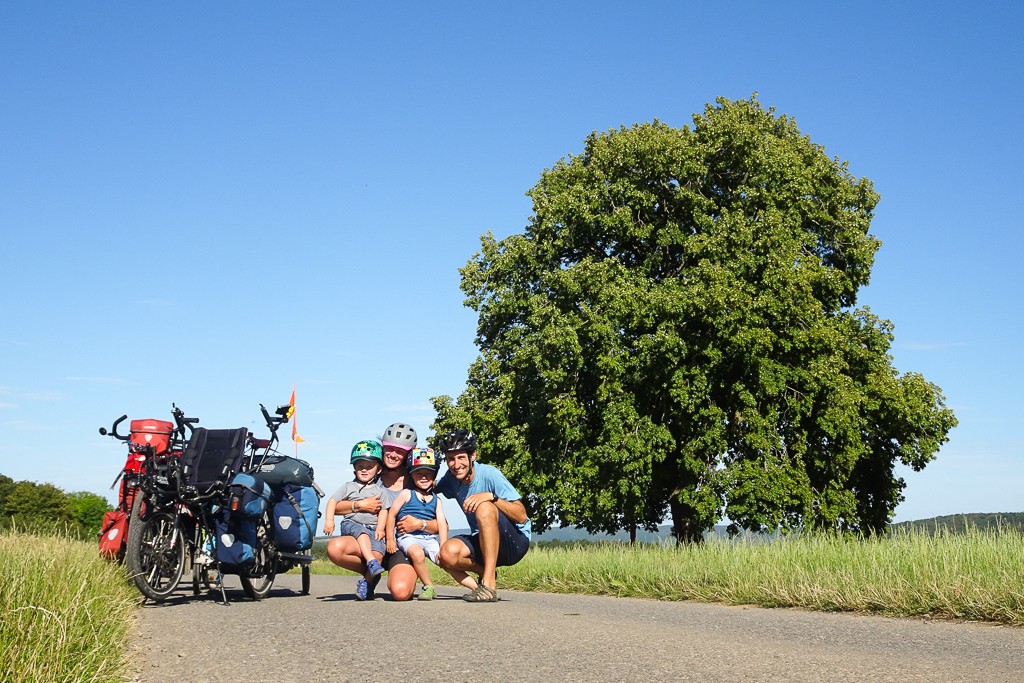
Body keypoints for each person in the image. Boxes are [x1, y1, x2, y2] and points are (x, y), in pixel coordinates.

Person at [325, 422, 441, 600]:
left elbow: (440, 525)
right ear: (383, 447)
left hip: (400, 545)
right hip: (372, 539)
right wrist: (359, 505)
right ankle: (373, 572)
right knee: (335, 548)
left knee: (401, 592)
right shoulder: (370, 472)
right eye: (390, 449)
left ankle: (392, 572)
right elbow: (338, 506)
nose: (394, 455)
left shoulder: (417, 480)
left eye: (400, 451)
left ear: (408, 454)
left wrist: (420, 524)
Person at [435, 429, 531, 602]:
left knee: (484, 507)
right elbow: (428, 487)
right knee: (446, 555)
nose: (456, 465)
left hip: (514, 542)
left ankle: (488, 585)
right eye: (451, 459)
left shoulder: (490, 474)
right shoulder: (450, 479)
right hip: (483, 540)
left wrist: (491, 497)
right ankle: (486, 571)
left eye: (461, 457)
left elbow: (522, 515)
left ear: (472, 456)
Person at [322, 439, 389, 600]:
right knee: (363, 535)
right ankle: (371, 563)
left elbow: (384, 511)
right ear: (354, 468)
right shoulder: (348, 487)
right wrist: (329, 520)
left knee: (378, 553)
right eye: (360, 467)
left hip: (373, 529)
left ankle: (367, 582)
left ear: (378, 469)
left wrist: (380, 528)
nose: (364, 470)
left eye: (369, 467)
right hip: (352, 524)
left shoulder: (380, 491)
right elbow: (332, 501)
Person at [385, 447, 449, 601]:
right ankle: (428, 586)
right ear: (411, 474)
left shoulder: (435, 499)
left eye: (429, 473)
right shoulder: (406, 493)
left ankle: (479, 582)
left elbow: (443, 524)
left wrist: (420, 525)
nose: (424, 477)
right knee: (417, 555)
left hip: (425, 539)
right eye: (419, 473)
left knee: (446, 560)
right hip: (402, 542)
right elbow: (391, 514)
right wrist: (390, 539)